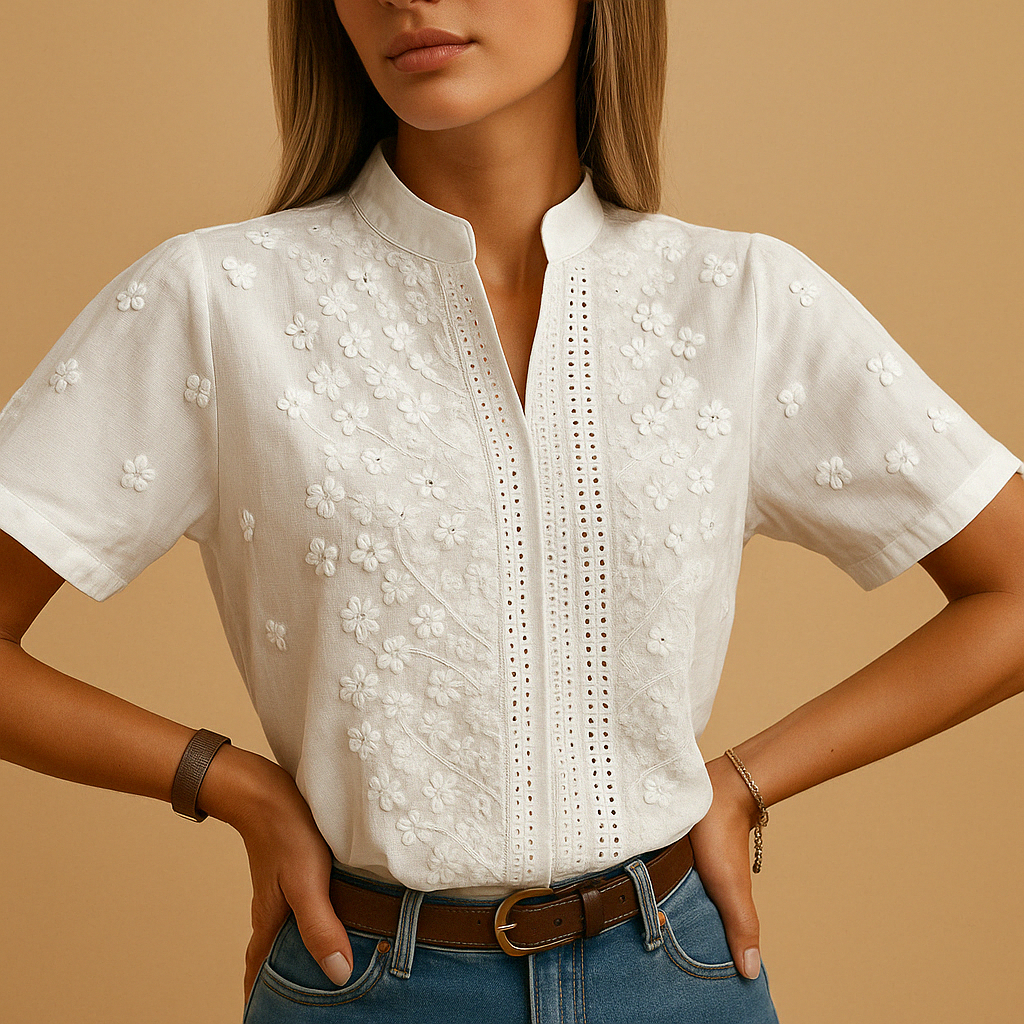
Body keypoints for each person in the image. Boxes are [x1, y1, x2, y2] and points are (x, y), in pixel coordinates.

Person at [1, 0, 1022, 1021]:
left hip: (674, 980)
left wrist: (747, 781)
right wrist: (225, 781)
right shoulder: (219, 302)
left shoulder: (735, 302)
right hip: (367, 988)